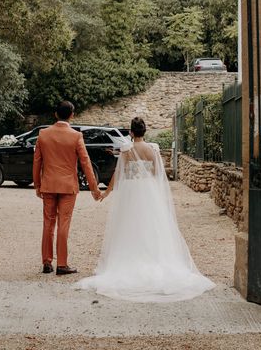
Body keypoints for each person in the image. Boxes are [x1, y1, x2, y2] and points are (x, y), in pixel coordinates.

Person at [75, 117, 215, 302]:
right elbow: (158, 175)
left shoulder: (127, 150)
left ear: (131, 133)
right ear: (144, 132)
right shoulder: (153, 149)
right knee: (152, 226)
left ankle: (130, 259)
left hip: (132, 191)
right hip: (148, 191)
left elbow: (119, 174)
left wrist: (106, 193)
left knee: (130, 225)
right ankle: (154, 258)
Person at [33, 100, 101, 275]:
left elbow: (37, 162)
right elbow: (86, 163)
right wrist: (94, 188)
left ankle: (47, 262)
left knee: (48, 223)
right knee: (64, 223)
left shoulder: (43, 134)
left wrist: (38, 185)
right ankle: (62, 264)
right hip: (68, 186)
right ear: (72, 115)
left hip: (48, 185)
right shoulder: (76, 136)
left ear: (56, 114)